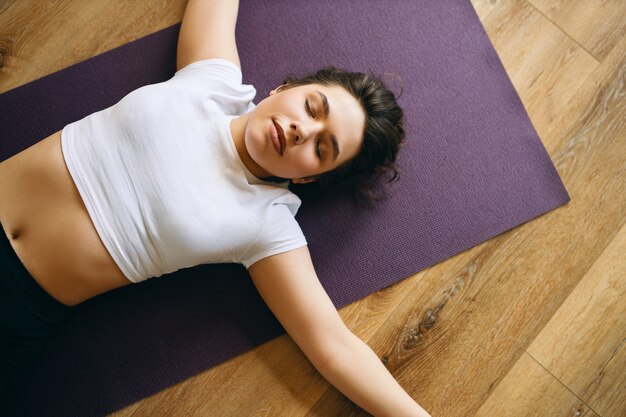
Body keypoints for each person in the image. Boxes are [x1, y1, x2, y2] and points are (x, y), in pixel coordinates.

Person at [0, 1, 431, 416]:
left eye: (322, 148)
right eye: (311, 106)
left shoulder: (268, 223)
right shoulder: (214, 80)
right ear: (285, 88)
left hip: (17, 310)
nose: (304, 129)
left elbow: (334, 346)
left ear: (308, 178)